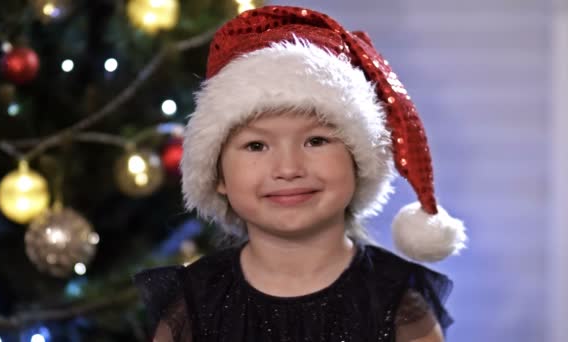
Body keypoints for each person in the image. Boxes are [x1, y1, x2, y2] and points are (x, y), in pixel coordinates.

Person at [134, 5, 467, 342]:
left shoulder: (399, 304)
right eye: (256, 146)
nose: (289, 169)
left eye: (316, 140)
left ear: (359, 159)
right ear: (217, 175)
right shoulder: (194, 305)